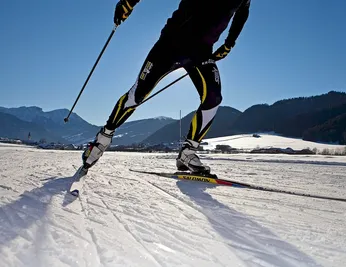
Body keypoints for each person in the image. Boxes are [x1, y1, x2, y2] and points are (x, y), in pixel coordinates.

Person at [82, 0, 251, 174]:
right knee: (137, 95)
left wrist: (230, 43)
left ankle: (188, 152)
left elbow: (242, 12)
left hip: (201, 52)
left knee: (213, 98)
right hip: (170, 44)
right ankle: (103, 139)